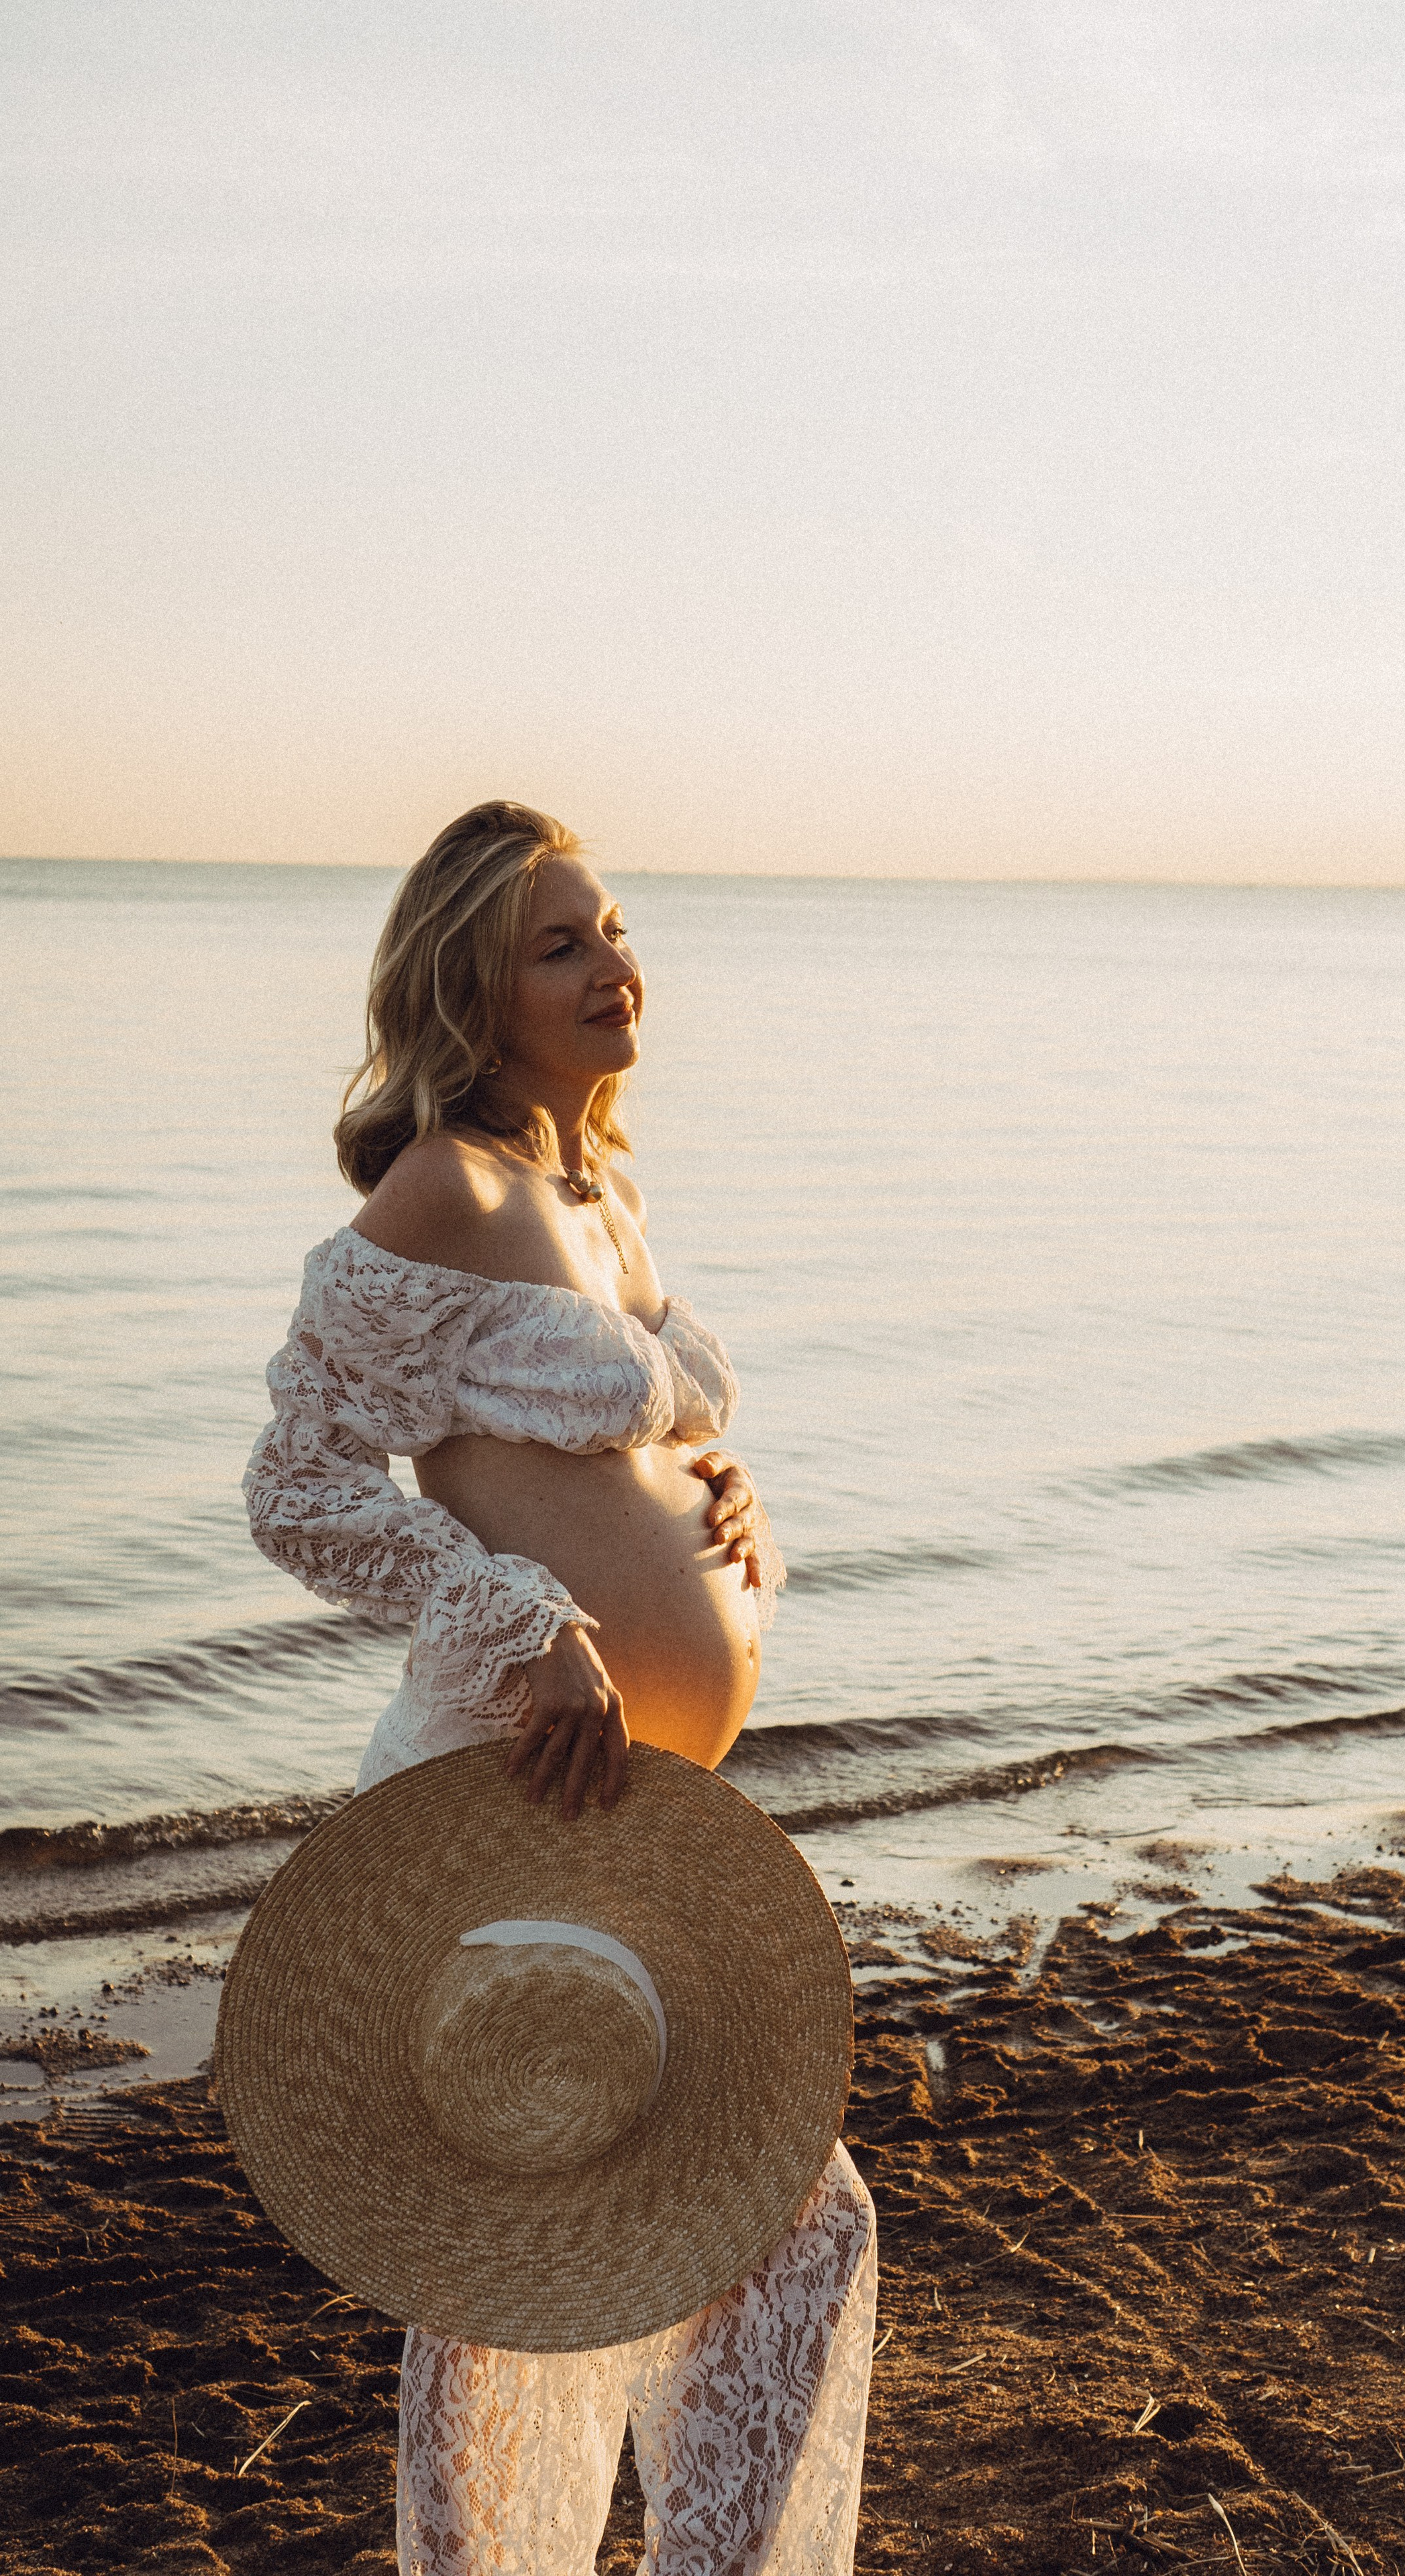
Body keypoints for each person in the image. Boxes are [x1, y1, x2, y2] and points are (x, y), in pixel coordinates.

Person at [243, 800, 876, 2575]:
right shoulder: (443, 1189)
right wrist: (529, 1614)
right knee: (584, 2246)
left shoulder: (602, 1193)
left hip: (637, 1821)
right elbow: (299, 1491)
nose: (612, 964)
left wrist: (724, 1488)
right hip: (502, 1793)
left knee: (627, 2242)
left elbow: (630, 1445)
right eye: (558, 944)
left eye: (611, 928)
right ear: (473, 987)